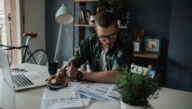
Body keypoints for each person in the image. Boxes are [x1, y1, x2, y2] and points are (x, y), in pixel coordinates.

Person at [46, 10, 133, 84]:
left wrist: (80, 75)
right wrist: (62, 72)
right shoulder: (90, 40)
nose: (107, 41)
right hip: (93, 90)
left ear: (117, 30)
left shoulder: (125, 42)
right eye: (103, 37)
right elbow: (76, 58)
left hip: (116, 92)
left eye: (112, 35)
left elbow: (117, 75)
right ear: (96, 32)